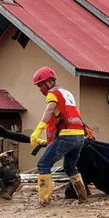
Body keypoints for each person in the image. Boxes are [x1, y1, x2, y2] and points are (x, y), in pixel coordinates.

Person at [30, 67, 88, 205]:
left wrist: (37, 130)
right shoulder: (67, 93)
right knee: (70, 167)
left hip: (67, 136)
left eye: (40, 85)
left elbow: (49, 110)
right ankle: (83, 198)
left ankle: (44, 201)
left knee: (43, 164)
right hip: (79, 137)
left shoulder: (53, 94)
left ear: (49, 82)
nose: (40, 89)